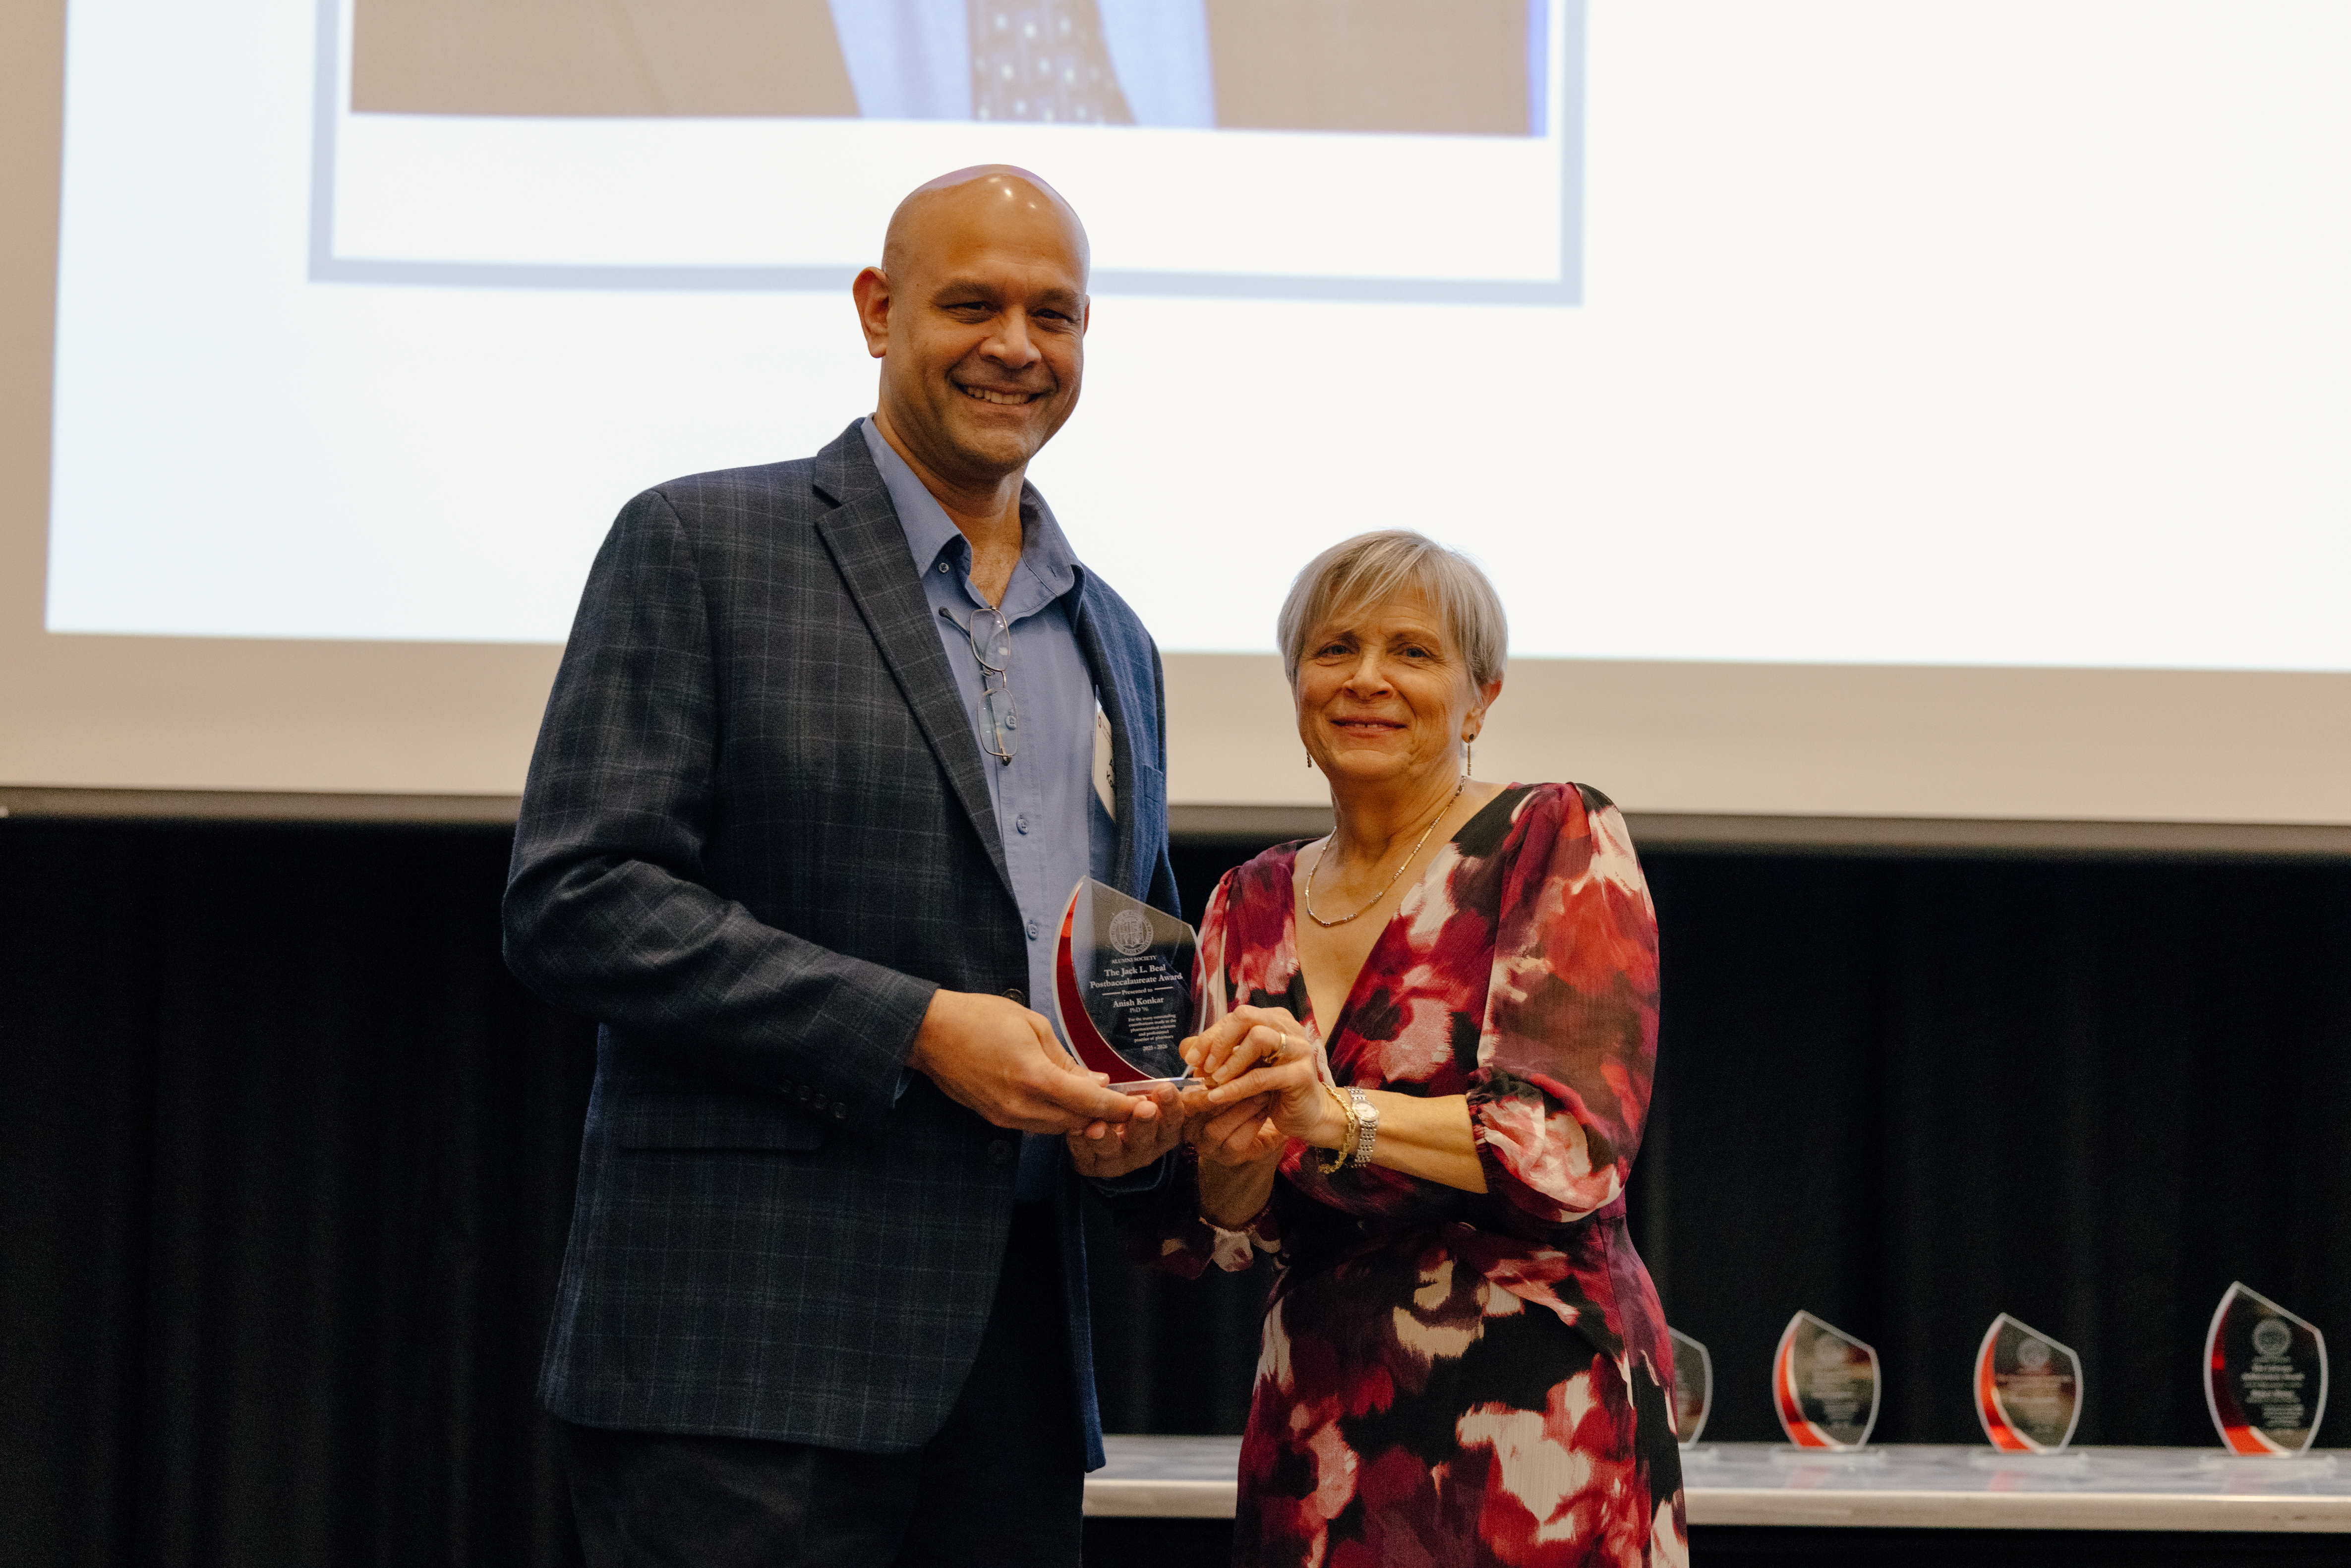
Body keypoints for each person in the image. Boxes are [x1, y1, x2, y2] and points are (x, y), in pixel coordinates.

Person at [502, 165, 1188, 1567]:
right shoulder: (700, 544)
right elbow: (577, 898)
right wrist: (921, 1030)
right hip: (743, 1366)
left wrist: (1140, 1110)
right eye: (972, 303)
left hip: (1012, 1372)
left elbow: (1132, 963)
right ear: (877, 312)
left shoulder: (1115, 639)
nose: (1016, 344)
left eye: (1052, 314)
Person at [1153, 530, 1687, 1566]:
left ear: (1479, 698)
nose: (1366, 679)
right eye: (1335, 648)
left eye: (1410, 651)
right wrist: (1220, 1146)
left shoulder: (1552, 833)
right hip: (1318, 1425)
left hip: (1534, 1422)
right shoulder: (1244, 903)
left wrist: (1333, 1115)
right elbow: (1233, 1226)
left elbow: (1569, 1146)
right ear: (1296, 687)